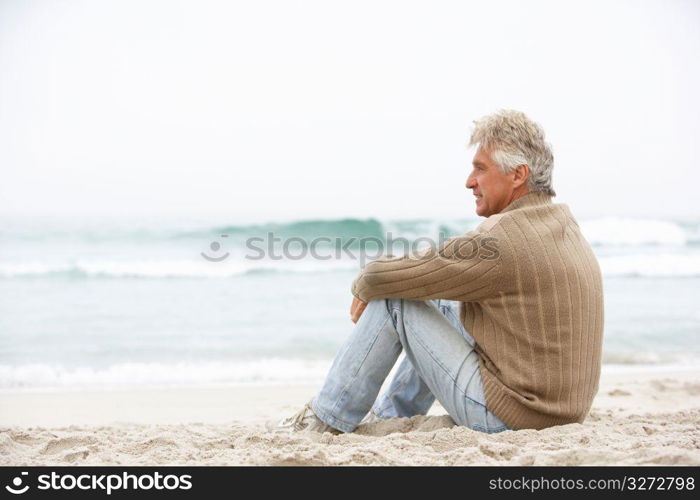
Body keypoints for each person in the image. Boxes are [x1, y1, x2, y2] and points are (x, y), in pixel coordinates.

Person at [267, 109, 604, 433]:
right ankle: (390, 415)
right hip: (559, 411)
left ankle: (327, 417)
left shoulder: (505, 237)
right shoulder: (560, 223)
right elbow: (438, 272)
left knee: (395, 300)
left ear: (518, 175)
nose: (469, 182)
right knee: (444, 302)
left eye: (480, 169)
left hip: (513, 416)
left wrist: (364, 285)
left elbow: (389, 275)